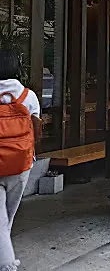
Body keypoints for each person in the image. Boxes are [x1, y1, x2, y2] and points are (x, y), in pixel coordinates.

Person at [0, 50, 41, 271]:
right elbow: (36, 130)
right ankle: (7, 264)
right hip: (20, 164)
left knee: (0, 221)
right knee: (8, 218)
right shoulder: (28, 96)